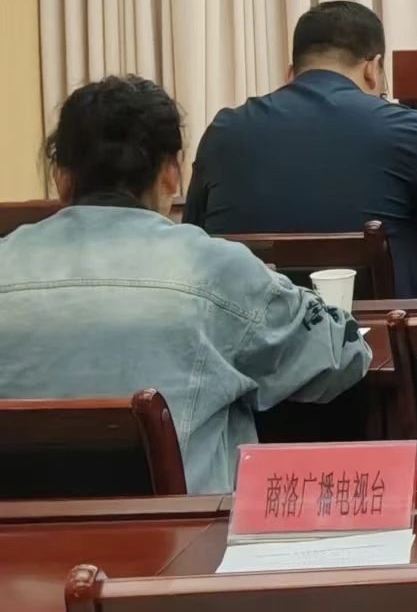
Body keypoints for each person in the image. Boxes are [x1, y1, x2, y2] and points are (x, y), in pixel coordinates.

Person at [0, 77, 370, 495]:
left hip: (19, 536)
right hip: (181, 534)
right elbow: (341, 356)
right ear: (171, 174)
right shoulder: (215, 268)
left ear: (61, 177)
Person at [186, 1, 417, 299]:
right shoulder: (405, 129)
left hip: (243, 333)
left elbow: (193, 239)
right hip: (374, 334)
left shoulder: (223, 131)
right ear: (373, 69)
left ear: (291, 74)